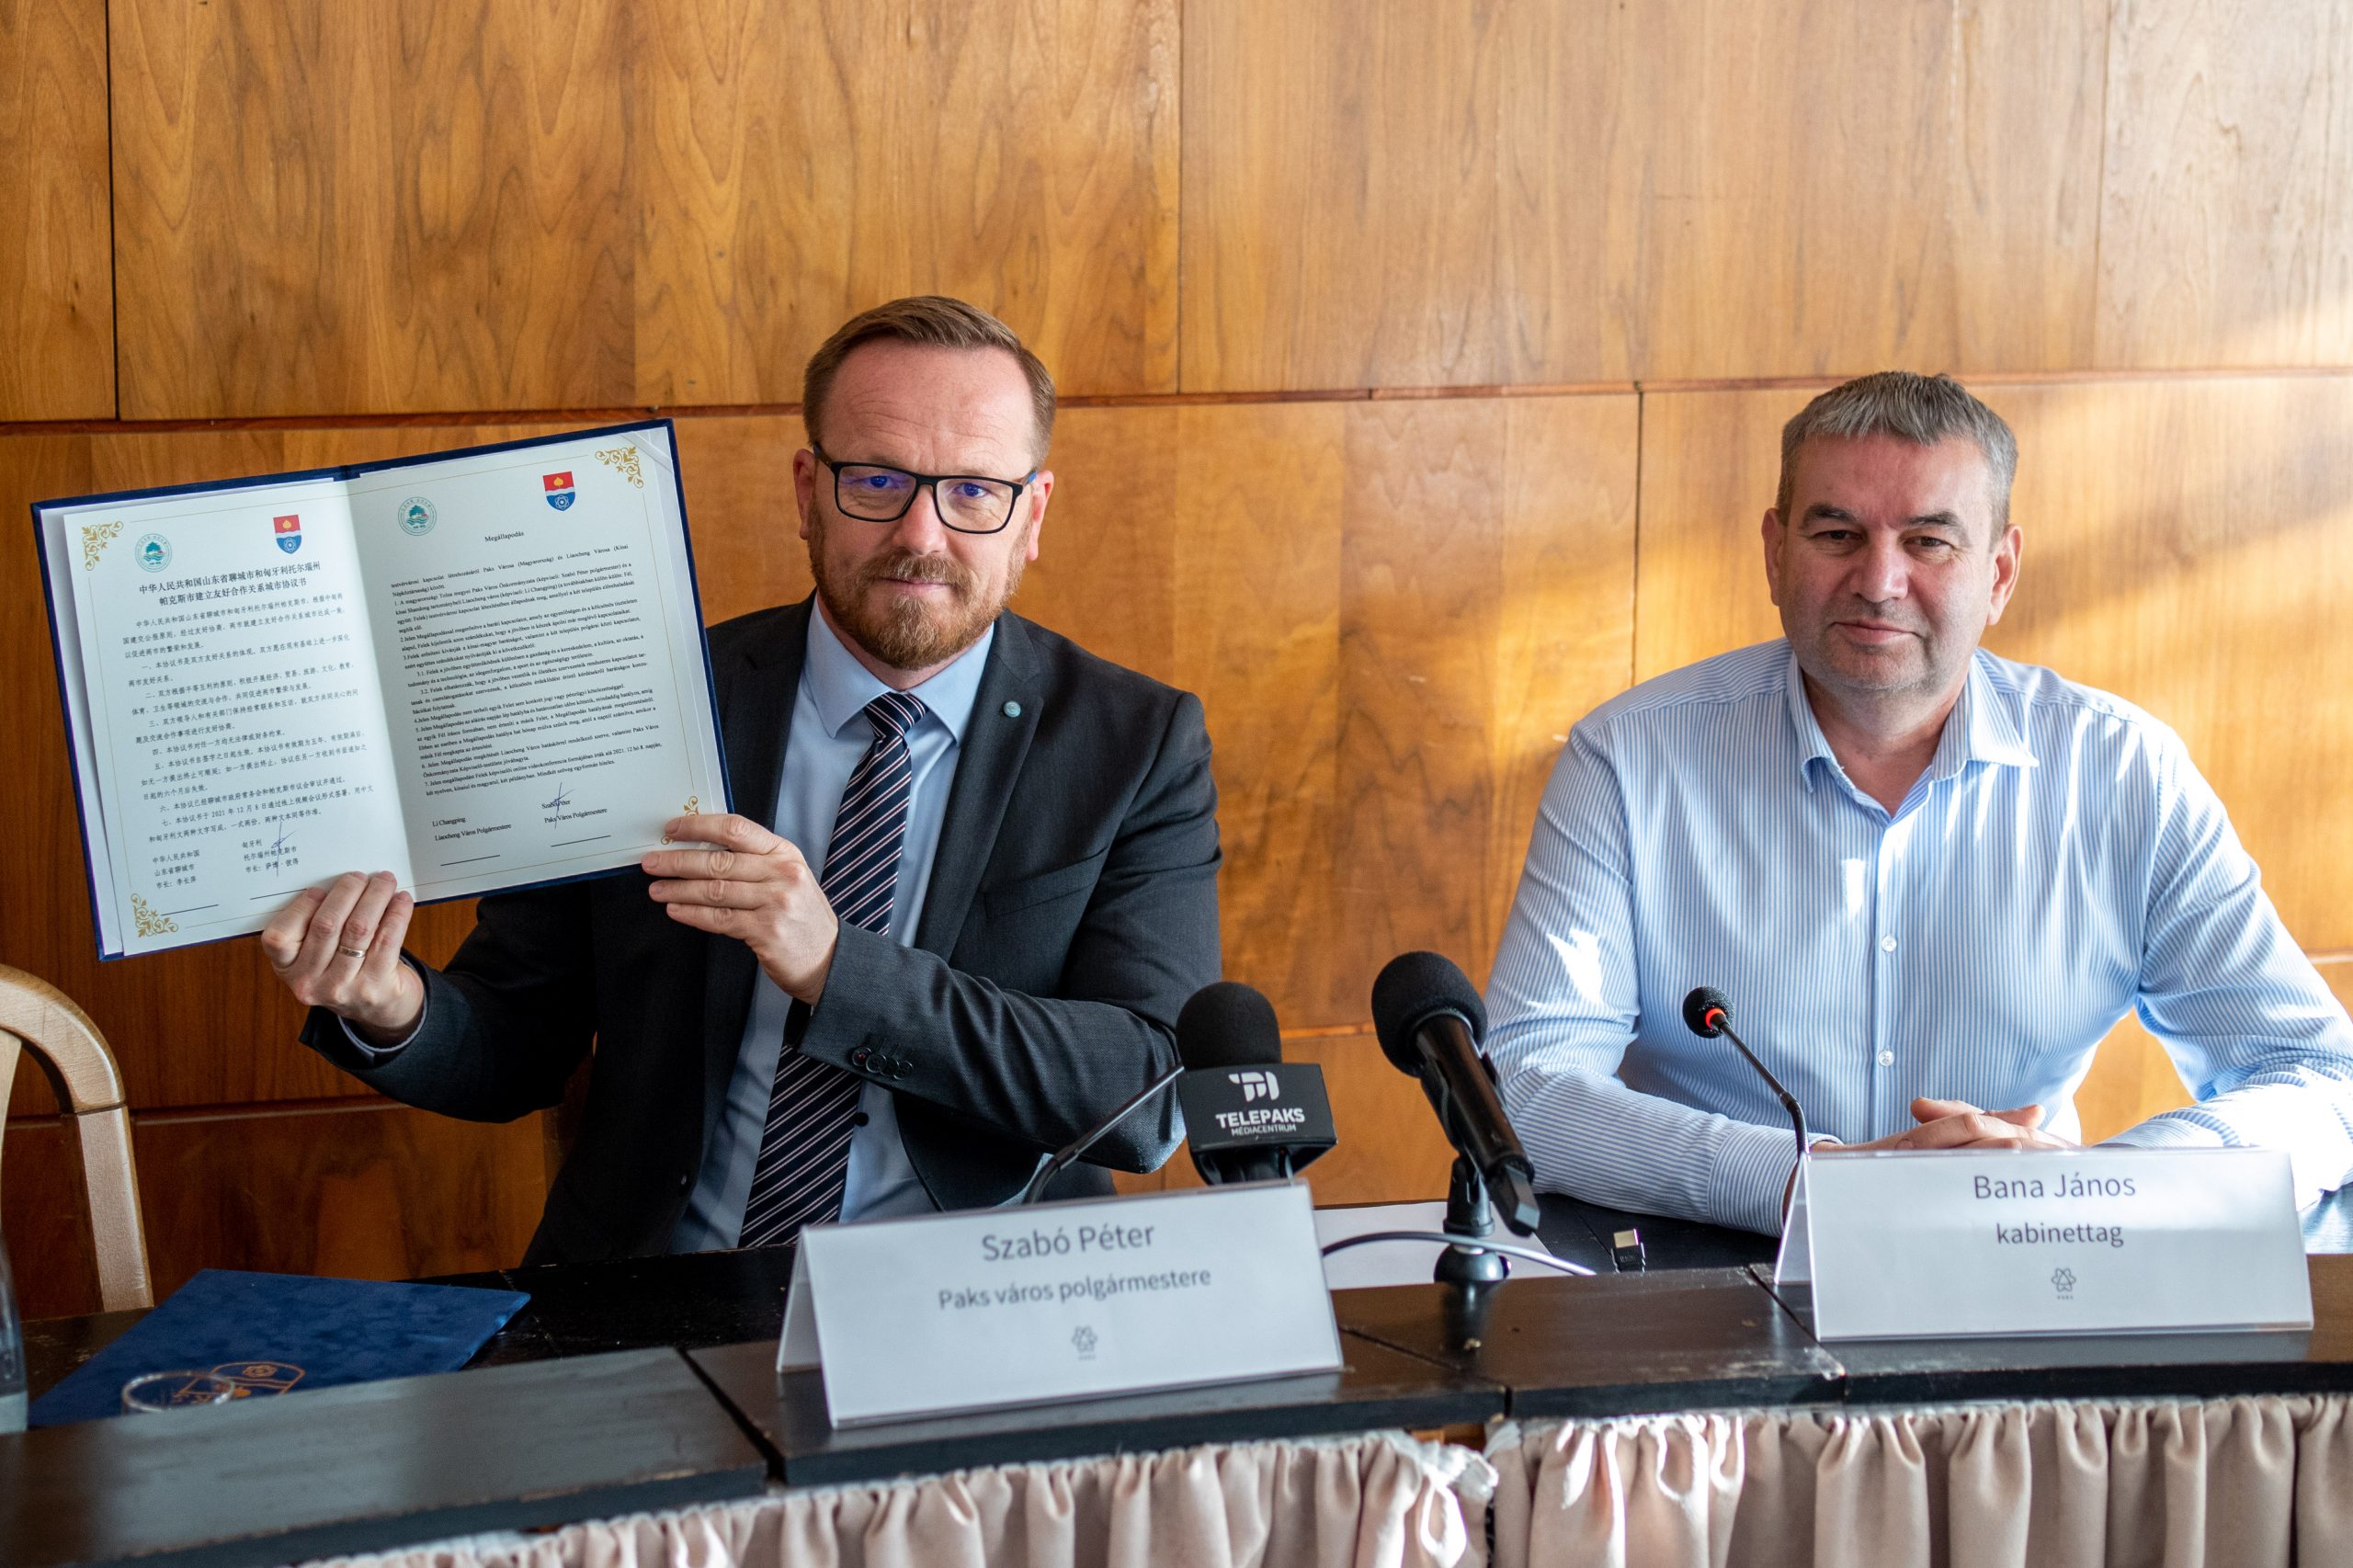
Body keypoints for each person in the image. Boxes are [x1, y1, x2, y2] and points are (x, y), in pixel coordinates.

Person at [262, 297, 1222, 1262]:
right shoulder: (639, 701)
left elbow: (1147, 1095)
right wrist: (389, 1006)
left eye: (973, 490)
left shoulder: (1136, 744)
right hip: (658, 1291)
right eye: (877, 479)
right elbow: (513, 1042)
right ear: (807, 491)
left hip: (982, 1297)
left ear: (1032, 514)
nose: (922, 535)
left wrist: (836, 968)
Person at [1485, 370, 2353, 1235]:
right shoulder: (1630, 759)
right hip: (1719, 1268)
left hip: (2031, 1261)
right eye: (1837, 534)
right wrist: (1810, 1183)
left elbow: (2322, 1079)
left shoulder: (2124, 773)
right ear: (1775, 554)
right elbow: (1526, 1086)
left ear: (1999, 573)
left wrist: (2098, 1187)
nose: (1879, 581)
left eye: (1929, 542)